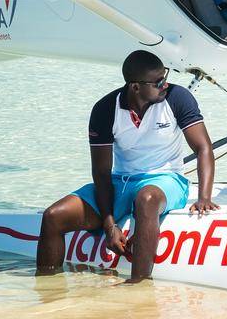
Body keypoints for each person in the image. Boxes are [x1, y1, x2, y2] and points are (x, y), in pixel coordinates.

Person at [37, 50, 217, 282]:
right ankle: (47, 294)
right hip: (119, 182)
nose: (165, 84)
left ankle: (138, 285)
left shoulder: (177, 97)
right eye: (158, 82)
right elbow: (101, 174)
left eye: (165, 77)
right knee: (53, 217)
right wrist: (110, 225)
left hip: (166, 180)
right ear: (135, 87)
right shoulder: (105, 109)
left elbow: (203, 148)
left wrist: (204, 197)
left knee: (147, 199)